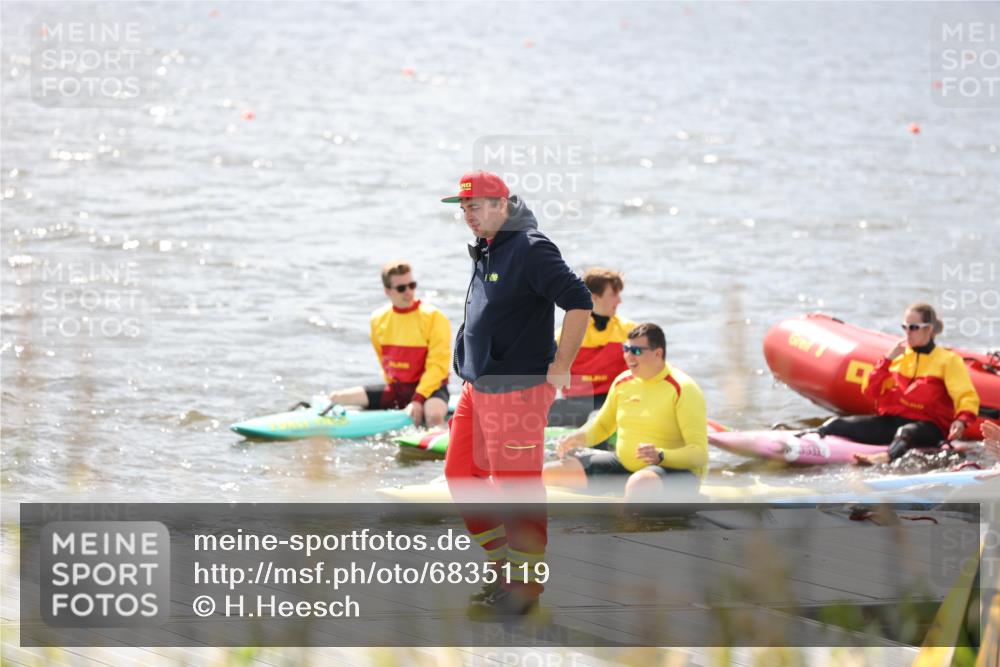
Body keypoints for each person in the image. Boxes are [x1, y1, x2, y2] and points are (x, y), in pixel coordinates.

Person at [441, 171, 592, 620]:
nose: (468, 215)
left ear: (501, 204)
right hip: (478, 385)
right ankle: (505, 567)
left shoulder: (530, 247)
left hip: (518, 389)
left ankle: (525, 590)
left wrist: (561, 366)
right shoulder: (490, 244)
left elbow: (579, 300)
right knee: (461, 476)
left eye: (476, 206)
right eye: (463, 208)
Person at [543, 323, 709, 502]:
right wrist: (576, 438)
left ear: (658, 353)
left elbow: (699, 454)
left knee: (639, 483)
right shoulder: (622, 382)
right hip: (625, 467)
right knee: (549, 473)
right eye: (626, 349)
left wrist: (661, 455)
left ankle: (622, 525)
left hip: (675, 474)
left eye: (636, 351)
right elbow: (603, 426)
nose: (628, 356)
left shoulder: (683, 388)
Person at [810, 302, 980, 465]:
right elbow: (870, 391)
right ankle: (805, 437)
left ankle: (886, 458)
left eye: (913, 328)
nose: (907, 332)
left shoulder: (949, 361)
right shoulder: (897, 359)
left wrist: (962, 421)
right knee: (836, 424)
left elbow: (966, 396)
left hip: (930, 428)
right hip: (892, 422)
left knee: (906, 432)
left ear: (929, 329)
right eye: (904, 327)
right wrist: (886, 361)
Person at [326, 261, 451, 428]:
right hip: (397, 390)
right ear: (387, 291)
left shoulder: (434, 317)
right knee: (336, 397)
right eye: (401, 288)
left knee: (434, 416)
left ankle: (443, 446)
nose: (408, 292)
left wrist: (418, 399)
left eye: (411, 285)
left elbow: (438, 366)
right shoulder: (378, 319)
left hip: (431, 392)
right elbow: (384, 362)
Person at [548, 267, 637, 429]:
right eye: (614, 295)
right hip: (575, 403)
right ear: (594, 297)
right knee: (536, 414)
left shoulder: (629, 331)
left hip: (611, 400)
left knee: (595, 417)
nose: (619, 301)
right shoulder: (566, 335)